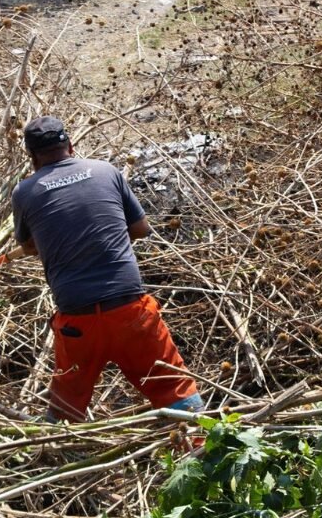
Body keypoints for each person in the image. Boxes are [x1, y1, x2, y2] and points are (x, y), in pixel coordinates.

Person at [10, 116, 204, 422]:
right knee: (174, 390)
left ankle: (60, 447)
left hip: (77, 321)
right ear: (71, 145)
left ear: (32, 157)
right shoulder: (105, 171)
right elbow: (141, 229)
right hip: (130, 311)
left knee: (65, 409)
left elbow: (31, 246)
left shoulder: (25, 192)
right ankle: (202, 443)